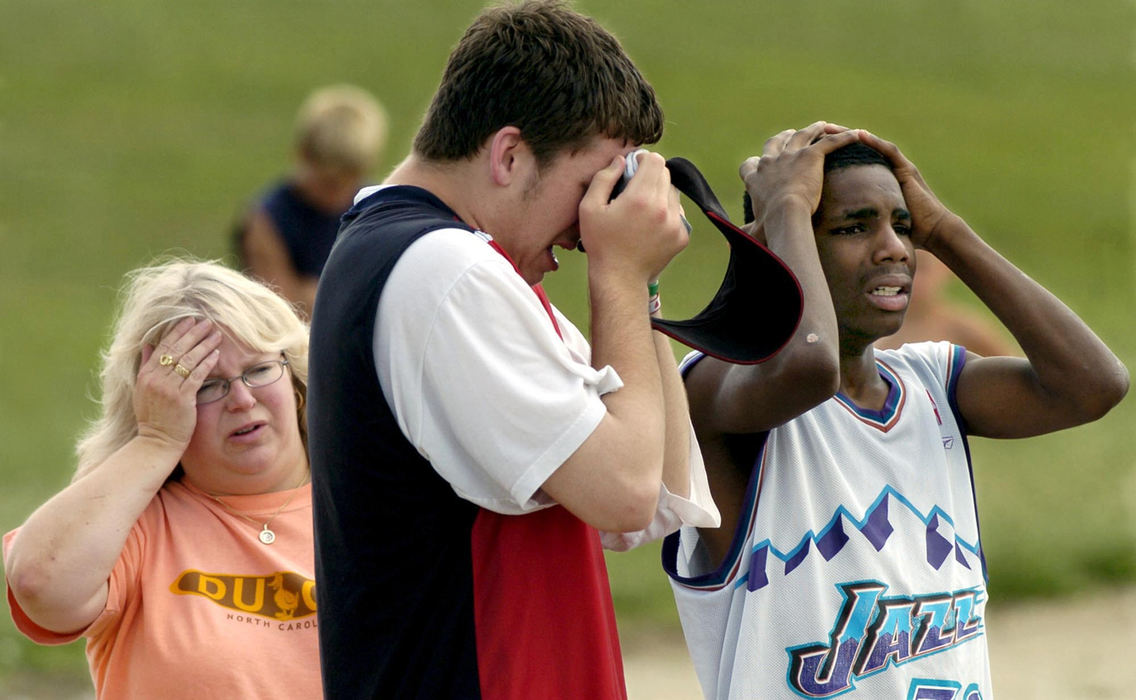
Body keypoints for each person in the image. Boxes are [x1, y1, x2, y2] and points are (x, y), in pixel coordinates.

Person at [305, 1, 721, 697]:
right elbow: (623, 493)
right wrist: (619, 273)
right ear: (508, 154)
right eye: (588, 185)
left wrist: (636, 286)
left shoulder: (425, 259)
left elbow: (659, 491)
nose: (590, 222)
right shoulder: (444, 273)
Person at [663, 125, 1128, 698]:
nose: (894, 249)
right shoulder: (717, 388)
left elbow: (1093, 385)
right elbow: (809, 368)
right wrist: (782, 207)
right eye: (853, 227)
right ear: (780, 243)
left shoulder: (933, 383)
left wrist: (946, 231)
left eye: (902, 227)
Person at [3, 259, 319, 698]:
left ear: (296, 379)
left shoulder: (367, 500)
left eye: (260, 369)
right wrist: (155, 441)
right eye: (206, 385)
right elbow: (41, 584)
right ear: (157, 401)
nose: (243, 400)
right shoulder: (133, 526)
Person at [235, 84, 388, 317]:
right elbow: (281, 312)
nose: (335, 194)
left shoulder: (376, 210)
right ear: (301, 155)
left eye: (347, 182)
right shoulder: (267, 221)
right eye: (327, 182)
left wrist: (314, 294)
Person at [875, 250, 1017, 355]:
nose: (911, 278)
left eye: (923, 268)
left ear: (947, 269)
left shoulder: (963, 330)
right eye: (901, 268)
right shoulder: (872, 329)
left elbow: (1015, 375)